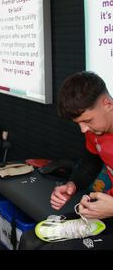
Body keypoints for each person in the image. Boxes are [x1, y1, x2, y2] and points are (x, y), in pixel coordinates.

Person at [20, 71, 113, 249]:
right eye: (78, 123)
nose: (83, 130)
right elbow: (90, 163)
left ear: (107, 104)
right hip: (106, 209)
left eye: (88, 121)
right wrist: (73, 184)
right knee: (30, 241)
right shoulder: (95, 131)